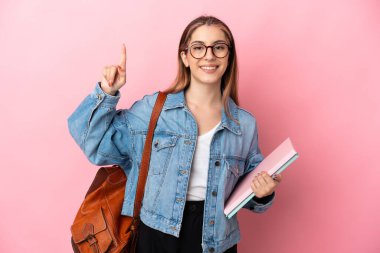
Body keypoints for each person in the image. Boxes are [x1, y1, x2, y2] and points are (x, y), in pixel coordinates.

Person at [68, 15, 282, 253]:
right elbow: (93, 143)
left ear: (228, 56)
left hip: (216, 241)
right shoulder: (154, 110)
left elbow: (249, 190)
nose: (209, 56)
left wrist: (263, 193)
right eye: (198, 48)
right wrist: (106, 93)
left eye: (219, 47)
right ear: (185, 57)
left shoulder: (244, 124)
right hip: (157, 238)